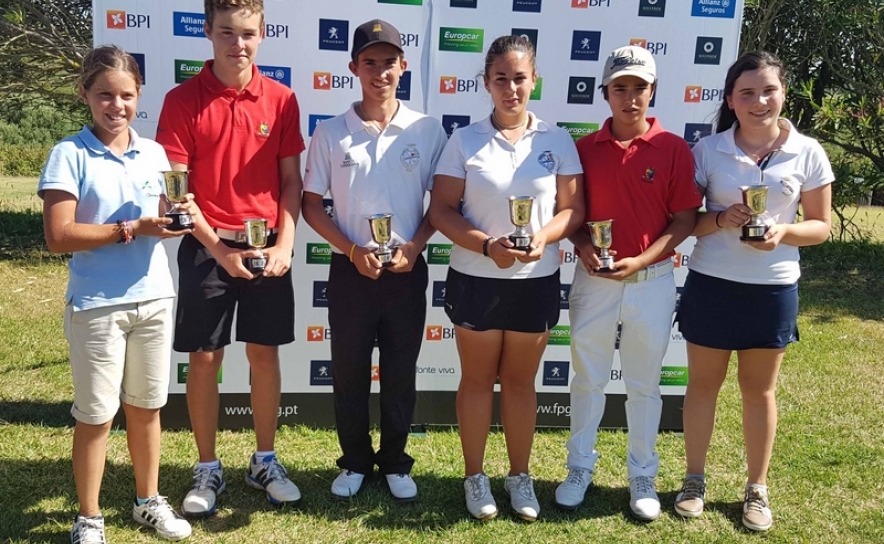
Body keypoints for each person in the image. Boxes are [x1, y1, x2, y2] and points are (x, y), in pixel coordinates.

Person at [155, 0, 305, 516]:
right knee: (205, 359)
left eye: (247, 33)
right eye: (226, 32)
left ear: (262, 33)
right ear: (207, 31)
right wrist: (219, 249)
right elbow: (177, 191)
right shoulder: (181, 99)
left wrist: (285, 245)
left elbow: (291, 183)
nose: (236, 44)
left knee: (264, 356)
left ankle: (265, 459)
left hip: (267, 248)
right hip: (206, 245)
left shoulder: (283, 99)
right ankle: (207, 466)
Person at [40, 46, 194, 543]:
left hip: (153, 298)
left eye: (126, 95)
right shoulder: (69, 152)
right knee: (96, 415)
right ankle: (89, 517)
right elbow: (59, 236)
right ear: (85, 93)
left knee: (147, 409)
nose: (116, 105)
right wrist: (132, 227)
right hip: (97, 305)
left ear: (138, 96)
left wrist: (176, 215)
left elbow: (166, 216)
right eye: (105, 94)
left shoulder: (153, 153)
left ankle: (147, 501)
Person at [673, 51, 832, 532]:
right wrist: (721, 219)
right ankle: (694, 480)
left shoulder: (808, 152)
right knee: (703, 385)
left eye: (769, 90)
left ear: (783, 93)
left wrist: (784, 232)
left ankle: (756, 488)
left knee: (758, 391)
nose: (759, 101)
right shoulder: (706, 150)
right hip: (713, 283)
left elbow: (821, 227)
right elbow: (685, 223)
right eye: (747, 93)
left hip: (773, 288)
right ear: (730, 100)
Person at [429, 35, 584, 522]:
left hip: (536, 277)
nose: (511, 88)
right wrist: (485, 245)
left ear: (533, 80)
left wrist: (543, 238)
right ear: (486, 83)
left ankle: (520, 477)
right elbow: (440, 210)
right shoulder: (465, 140)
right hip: (477, 276)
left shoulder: (557, 140)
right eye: (501, 78)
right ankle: (475, 477)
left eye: (520, 78)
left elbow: (571, 210)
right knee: (476, 381)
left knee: (519, 383)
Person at [553, 45, 701, 521]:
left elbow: (683, 221)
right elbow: (571, 218)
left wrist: (640, 260)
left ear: (652, 91)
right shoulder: (583, 149)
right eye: (620, 88)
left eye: (639, 88)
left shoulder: (674, 148)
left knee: (643, 384)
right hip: (594, 279)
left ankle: (643, 474)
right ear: (606, 93)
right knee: (588, 379)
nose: (630, 97)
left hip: (652, 279)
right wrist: (582, 245)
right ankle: (579, 467)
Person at [302, 19, 447, 502]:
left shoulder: (427, 130)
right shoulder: (329, 133)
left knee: (402, 371)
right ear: (353, 68)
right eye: (370, 62)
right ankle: (355, 461)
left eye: (389, 62)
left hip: (406, 269)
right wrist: (350, 249)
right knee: (348, 371)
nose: (380, 71)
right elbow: (310, 205)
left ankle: (397, 462)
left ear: (403, 66)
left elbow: (442, 206)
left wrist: (417, 245)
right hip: (350, 270)